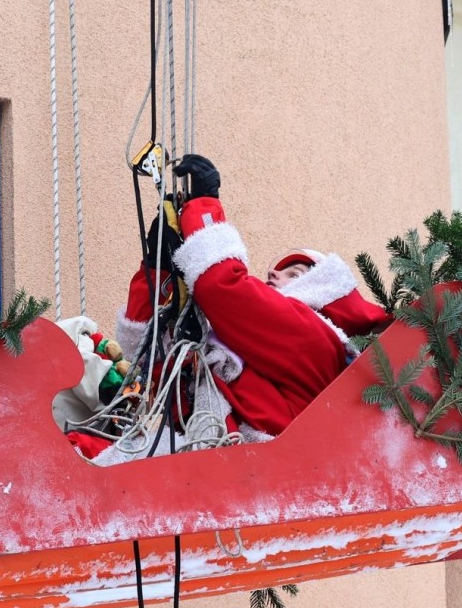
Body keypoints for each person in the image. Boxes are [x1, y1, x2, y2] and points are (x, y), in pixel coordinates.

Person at [113, 154, 391, 441]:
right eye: (273, 271)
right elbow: (151, 361)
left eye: (293, 274)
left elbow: (222, 287)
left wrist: (204, 207)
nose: (272, 274)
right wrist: (158, 270)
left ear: (322, 292)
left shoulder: (320, 343)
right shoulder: (229, 357)